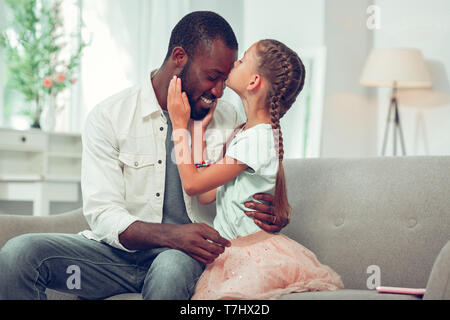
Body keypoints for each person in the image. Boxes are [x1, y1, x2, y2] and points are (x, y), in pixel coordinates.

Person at [0, 11, 286, 300]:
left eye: (225, 80)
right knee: (19, 254)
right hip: (114, 258)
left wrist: (269, 212)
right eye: (212, 77)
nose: (219, 91)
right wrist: (170, 234)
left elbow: (243, 188)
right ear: (179, 57)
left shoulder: (229, 118)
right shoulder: (110, 116)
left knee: (170, 268)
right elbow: (103, 213)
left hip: (186, 259)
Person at [167, 39, 344, 300]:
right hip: (231, 254)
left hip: (251, 256)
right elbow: (204, 194)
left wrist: (179, 125)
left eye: (241, 61)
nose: (233, 65)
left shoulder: (257, 139)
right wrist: (197, 131)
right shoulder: (247, 135)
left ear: (254, 82)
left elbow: (192, 184)